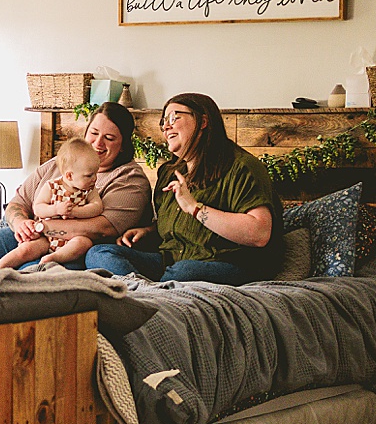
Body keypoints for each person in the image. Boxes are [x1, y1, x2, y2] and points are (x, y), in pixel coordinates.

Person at [85, 92, 284, 285]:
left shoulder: (242, 166)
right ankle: (147, 292)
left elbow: (259, 234)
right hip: (170, 261)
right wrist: (147, 232)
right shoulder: (169, 172)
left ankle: (146, 294)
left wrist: (195, 208)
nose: (166, 126)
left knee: (184, 272)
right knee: (99, 253)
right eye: (163, 121)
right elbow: (178, 228)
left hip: (226, 263)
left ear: (203, 121)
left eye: (174, 117)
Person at [0, 101, 153, 271]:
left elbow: (101, 229)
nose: (98, 143)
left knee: (29, 273)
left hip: (73, 250)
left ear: (123, 145)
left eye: (109, 138)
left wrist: (41, 226)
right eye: (93, 133)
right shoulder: (59, 163)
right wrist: (21, 224)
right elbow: (17, 203)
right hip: (25, 235)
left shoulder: (129, 180)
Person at [0, 137, 104, 268]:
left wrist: (75, 211)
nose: (94, 178)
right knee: (25, 250)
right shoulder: (52, 186)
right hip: (44, 237)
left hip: (72, 239)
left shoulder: (89, 190)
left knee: (84, 243)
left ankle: (53, 258)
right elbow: (38, 208)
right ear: (69, 176)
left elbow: (97, 207)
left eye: (96, 173)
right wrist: (56, 210)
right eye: (89, 175)